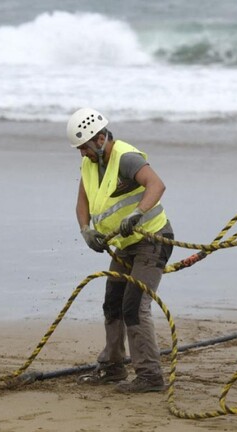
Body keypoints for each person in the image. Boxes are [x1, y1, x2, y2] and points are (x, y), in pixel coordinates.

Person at [68, 107, 174, 394]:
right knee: (113, 303)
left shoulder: (125, 158)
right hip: (124, 247)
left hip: (152, 241)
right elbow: (83, 204)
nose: (82, 154)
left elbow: (156, 185)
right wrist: (86, 230)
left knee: (133, 306)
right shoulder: (90, 165)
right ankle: (113, 367)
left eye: (84, 148)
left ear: (100, 139)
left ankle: (150, 376)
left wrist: (137, 213)